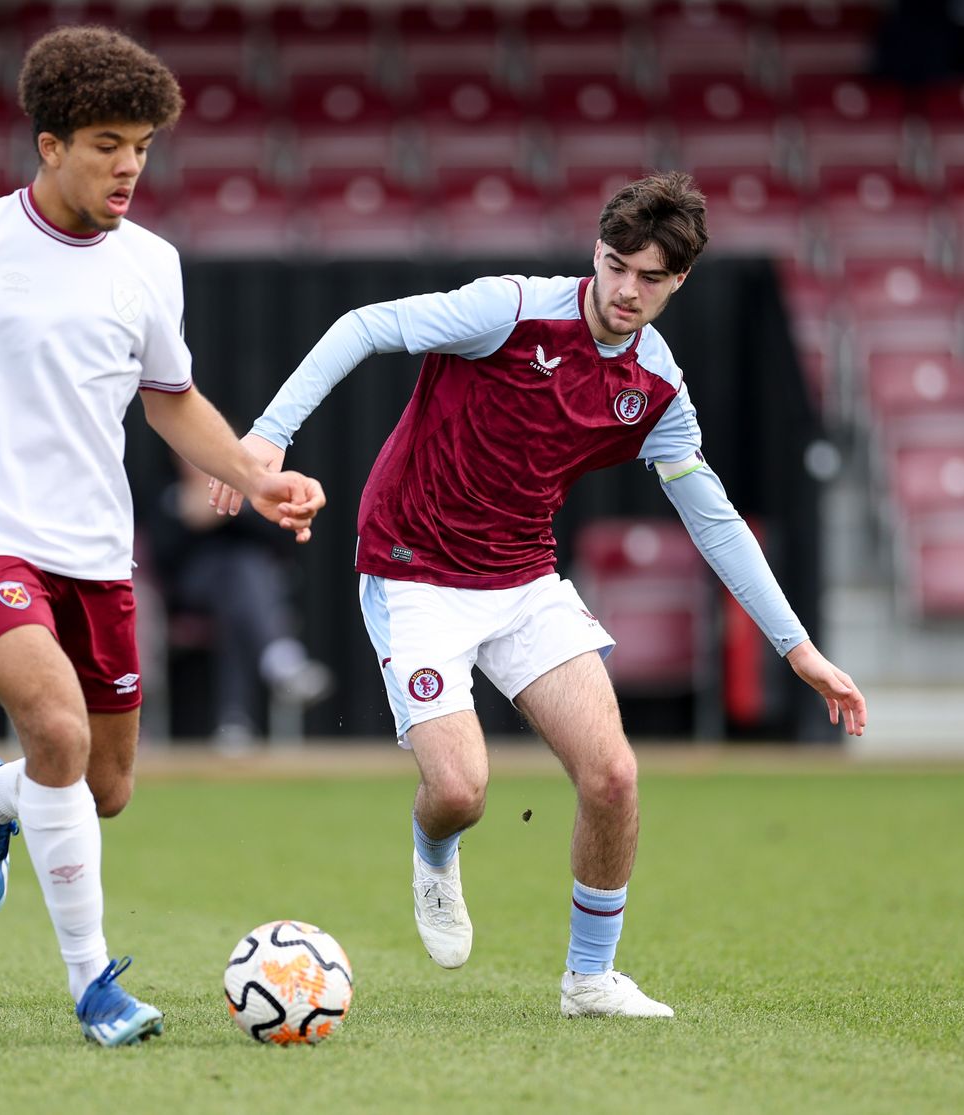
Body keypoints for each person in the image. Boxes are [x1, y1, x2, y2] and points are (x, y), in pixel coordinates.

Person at [211, 172, 866, 1018]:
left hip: (523, 577)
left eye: (651, 276)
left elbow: (714, 518)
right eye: (615, 264)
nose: (626, 289)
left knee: (613, 777)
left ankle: (590, 979)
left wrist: (798, 648)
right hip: (413, 568)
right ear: (595, 251)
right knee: (460, 791)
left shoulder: (657, 390)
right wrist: (266, 436)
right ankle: (435, 855)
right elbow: (365, 325)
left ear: (680, 282)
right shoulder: (510, 309)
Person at [0, 27, 326, 1046]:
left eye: (141, 144)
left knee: (104, 788)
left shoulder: (152, 264)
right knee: (57, 732)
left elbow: (172, 402)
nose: (129, 164)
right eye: (105, 144)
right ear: (48, 146)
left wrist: (256, 477)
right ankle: (96, 987)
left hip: (97, 550)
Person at [150, 453, 333, 747]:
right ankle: (281, 658)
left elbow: (277, 546)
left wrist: (232, 511)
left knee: (239, 589)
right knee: (238, 578)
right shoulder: (170, 496)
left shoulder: (250, 496)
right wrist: (190, 519)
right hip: (191, 593)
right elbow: (162, 558)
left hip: (242, 594)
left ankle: (234, 723)